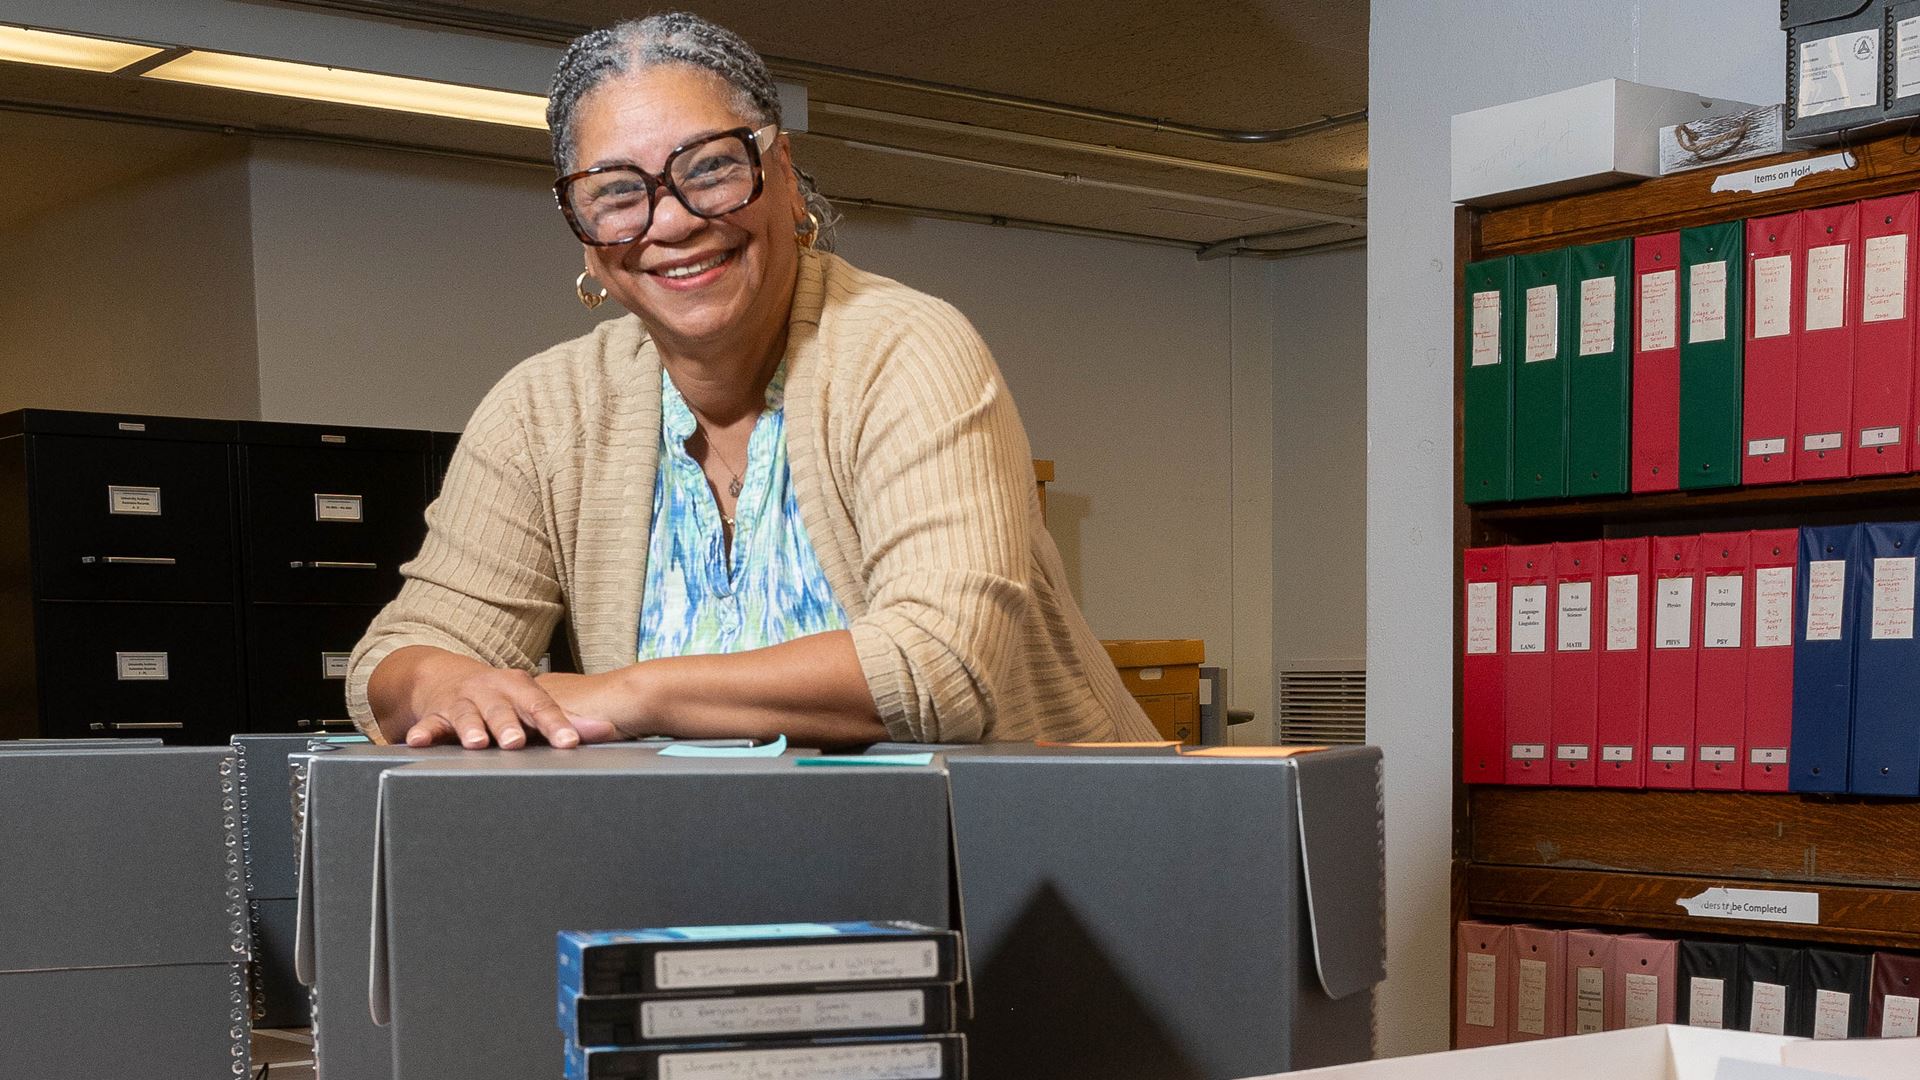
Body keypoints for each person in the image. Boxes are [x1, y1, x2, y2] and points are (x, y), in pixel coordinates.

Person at [347, 11, 1156, 750]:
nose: (671, 221)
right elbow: (389, 663)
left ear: (783, 172)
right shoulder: (543, 412)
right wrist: (443, 683)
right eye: (618, 193)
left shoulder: (904, 349)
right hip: (731, 869)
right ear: (586, 235)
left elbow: (939, 670)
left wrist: (621, 695)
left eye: (709, 169)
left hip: (1031, 865)